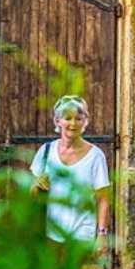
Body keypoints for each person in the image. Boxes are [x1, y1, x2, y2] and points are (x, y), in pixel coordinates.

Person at [30, 95, 111, 259]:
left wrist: (102, 234)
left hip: (82, 233)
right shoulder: (45, 152)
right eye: (68, 118)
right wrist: (37, 185)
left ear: (85, 122)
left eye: (79, 119)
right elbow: (31, 194)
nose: (73, 124)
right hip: (52, 233)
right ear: (58, 121)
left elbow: (103, 198)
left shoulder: (96, 156)